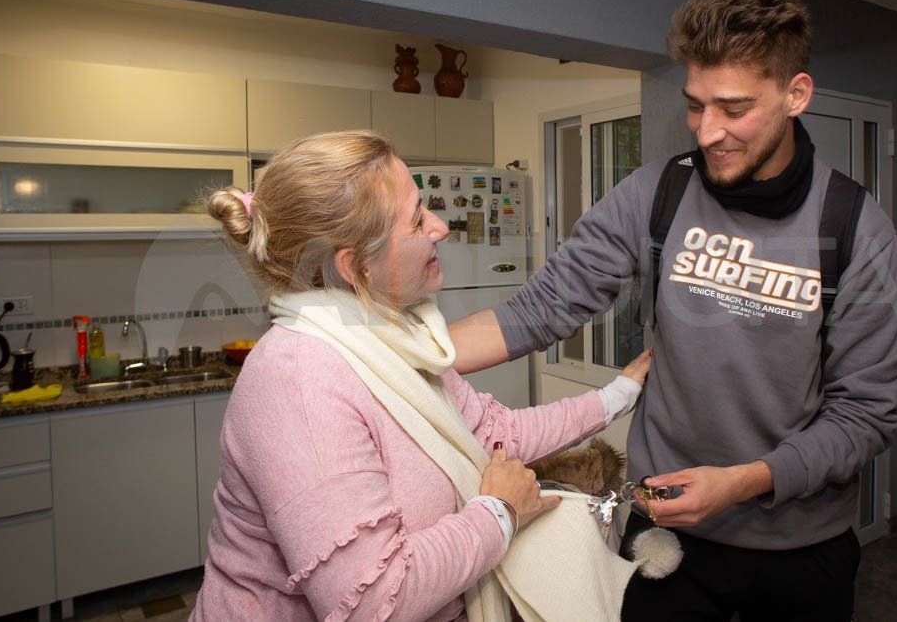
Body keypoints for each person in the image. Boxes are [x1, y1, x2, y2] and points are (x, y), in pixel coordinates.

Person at [449, 0, 897, 621]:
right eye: (696, 103)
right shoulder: (656, 194)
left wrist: (746, 479)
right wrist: (395, 357)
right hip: (662, 538)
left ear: (796, 94)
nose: (707, 129)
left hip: (800, 552)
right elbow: (541, 307)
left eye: (734, 107)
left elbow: (866, 414)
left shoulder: (852, 225)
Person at [192, 130, 650, 621]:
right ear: (356, 267)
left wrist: (618, 394)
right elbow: (371, 603)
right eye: (416, 219)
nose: (440, 227)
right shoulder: (298, 383)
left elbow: (496, 435)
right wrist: (499, 513)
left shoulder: (393, 341)